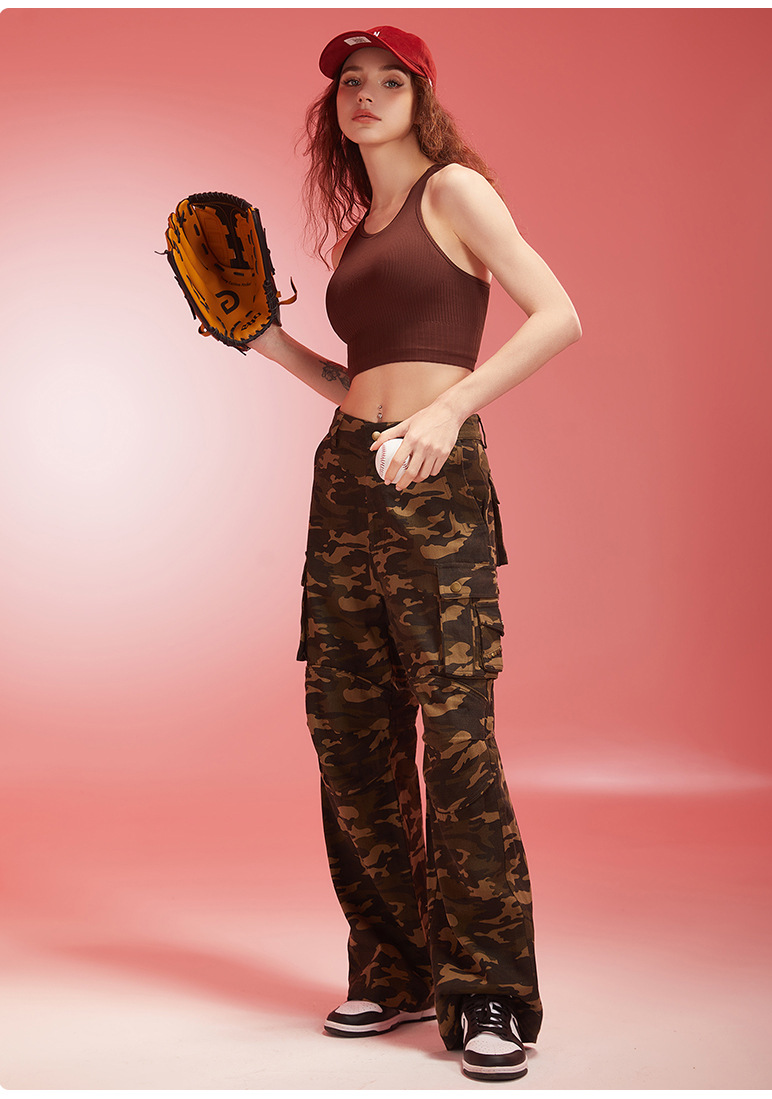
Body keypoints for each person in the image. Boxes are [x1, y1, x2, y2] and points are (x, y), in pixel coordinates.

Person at [248, 25, 582, 1082]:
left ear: (421, 98)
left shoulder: (454, 192)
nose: (367, 94)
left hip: (434, 478)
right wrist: (268, 340)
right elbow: (360, 379)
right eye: (351, 82)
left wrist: (450, 411)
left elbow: (559, 315)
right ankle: (394, 968)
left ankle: (489, 992)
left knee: (457, 738)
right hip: (348, 476)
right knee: (349, 733)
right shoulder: (362, 228)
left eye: (389, 80)